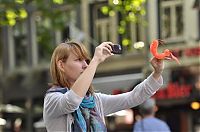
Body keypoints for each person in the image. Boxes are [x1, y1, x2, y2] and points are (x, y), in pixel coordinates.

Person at [43, 41, 165, 132]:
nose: (85, 65)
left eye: (87, 61)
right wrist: (95, 60)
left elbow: (133, 97)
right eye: (78, 60)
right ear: (61, 65)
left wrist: (157, 73)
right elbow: (72, 101)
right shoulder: (52, 100)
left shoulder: (94, 101)